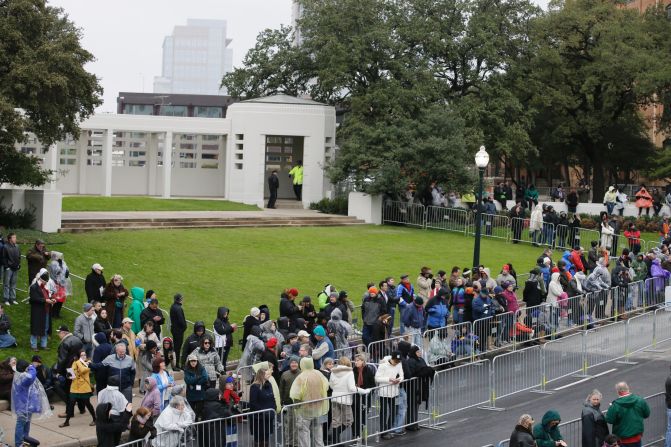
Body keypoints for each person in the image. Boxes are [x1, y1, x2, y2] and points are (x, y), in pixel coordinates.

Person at [290, 357, 329, 447]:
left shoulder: (301, 377)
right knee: (318, 435)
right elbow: (326, 386)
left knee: (304, 435)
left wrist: (297, 407)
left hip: (304, 411)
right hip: (318, 409)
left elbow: (295, 395)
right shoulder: (319, 374)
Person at [329, 356, 367, 444]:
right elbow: (352, 388)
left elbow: (331, 385)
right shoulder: (350, 372)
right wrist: (363, 391)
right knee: (349, 421)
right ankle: (335, 437)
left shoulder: (333, 372)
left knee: (336, 421)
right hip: (345, 399)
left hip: (334, 398)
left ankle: (335, 441)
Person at [12, 360, 50, 447]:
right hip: (23, 405)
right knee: (21, 423)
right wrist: (32, 367)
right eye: (27, 367)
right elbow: (30, 377)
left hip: (26, 404)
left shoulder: (19, 374)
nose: (28, 369)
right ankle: (18, 443)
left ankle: (25, 438)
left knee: (27, 422)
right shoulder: (24, 377)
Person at [605, 381, 650, 447]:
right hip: (637, 437)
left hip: (622, 439)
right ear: (628, 388)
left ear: (618, 391)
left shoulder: (615, 405)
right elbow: (647, 414)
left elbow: (609, 420)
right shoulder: (640, 400)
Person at [60, 350, 96, 427]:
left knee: (88, 404)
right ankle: (67, 422)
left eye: (85, 355)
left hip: (84, 388)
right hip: (75, 387)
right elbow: (71, 372)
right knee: (71, 404)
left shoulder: (88, 363)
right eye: (82, 355)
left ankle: (95, 419)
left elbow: (83, 370)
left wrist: (79, 364)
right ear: (79, 356)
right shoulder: (75, 363)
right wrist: (71, 374)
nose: (84, 356)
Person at [375, 351, 404, 440]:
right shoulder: (383, 365)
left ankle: (386, 429)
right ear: (392, 358)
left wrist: (399, 380)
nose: (396, 363)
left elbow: (402, 375)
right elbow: (377, 378)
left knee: (394, 411)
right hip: (384, 392)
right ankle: (383, 432)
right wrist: (389, 379)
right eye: (395, 361)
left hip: (394, 391)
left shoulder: (399, 364)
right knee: (383, 412)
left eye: (398, 361)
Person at [249, 366, 277, 447]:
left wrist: (273, 409)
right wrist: (264, 412)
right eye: (268, 373)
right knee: (258, 439)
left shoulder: (269, 384)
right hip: (258, 419)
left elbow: (273, 398)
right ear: (262, 374)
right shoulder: (254, 387)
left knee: (266, 439)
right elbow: (253, 403)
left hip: (268, 418)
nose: (270, 374)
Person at [1, 233, 20, 306]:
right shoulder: (5, 247)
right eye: (14, 237)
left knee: (13, 283)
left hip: (15, 268)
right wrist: (7, 266)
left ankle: (13, 298)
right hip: (8, 268)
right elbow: (3, 258)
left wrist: (19, 264)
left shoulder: (17, 246)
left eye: (15, 237)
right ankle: (6, 299)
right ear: (10, 239)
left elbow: (18, 256)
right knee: (6, 284)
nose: (15, 239)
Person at [169, 293, 187, 371]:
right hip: (178, 330)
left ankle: (175, 364)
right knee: (177, 348)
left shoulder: (173, 306)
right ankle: (176, 365)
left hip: (174, 329)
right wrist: (184, 327)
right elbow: (181, 321)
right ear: (179, 299)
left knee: (176, 347)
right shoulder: (179, 308)